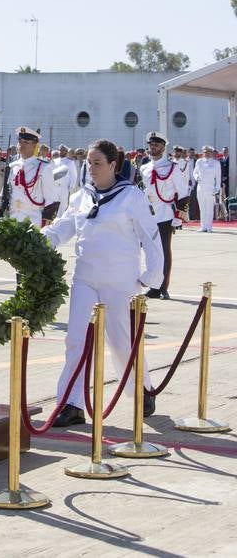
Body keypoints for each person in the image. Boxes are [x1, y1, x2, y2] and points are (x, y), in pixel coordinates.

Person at [43, 139, 163, 426]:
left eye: (98, 163)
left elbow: (151, 237)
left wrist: (151, 277)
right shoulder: (81, 197)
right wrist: (38, 239)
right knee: (76, 340)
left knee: (122, 343)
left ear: (113, 165)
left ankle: (141, 388)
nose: (92, 168)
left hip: (120, 280)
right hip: (86, 277)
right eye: (89, 163)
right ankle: (71, 403)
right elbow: (64, 227)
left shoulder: (131, 196)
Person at [139, 131, 189, 299]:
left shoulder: (172, 168)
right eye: (151, 145)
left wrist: (178, 216)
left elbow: (183, 193)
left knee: (164, 251)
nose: (154, 148)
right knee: (150, 251)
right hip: (147, 215)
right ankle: (153, 285)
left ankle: (163, 287)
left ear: (163, 147)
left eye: (157, 145)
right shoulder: (144, 167)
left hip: (165, 214)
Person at [4, 127, 57, 226]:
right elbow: (4, 193)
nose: (21, 145)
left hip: (32, 220)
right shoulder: (12, 166)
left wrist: (44, 225)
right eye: (20, 141)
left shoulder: (43, 167)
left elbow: (51, 200)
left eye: (26, 142)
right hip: (12, 219)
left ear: (34, 145)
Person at [193, 146, 221, 232]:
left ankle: (209, 226)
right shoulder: (199, 161)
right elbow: (195, 172)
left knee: (209, 208)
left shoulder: (216, 163)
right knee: (202, 208)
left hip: (210, 188)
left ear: (211, 153)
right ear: (203, 153)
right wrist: (196, 177)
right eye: (205, 152)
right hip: (200, 188)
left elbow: (218, 177)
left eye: (208, 152)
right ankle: (203, 226)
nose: (206, 154)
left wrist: (217, 188)